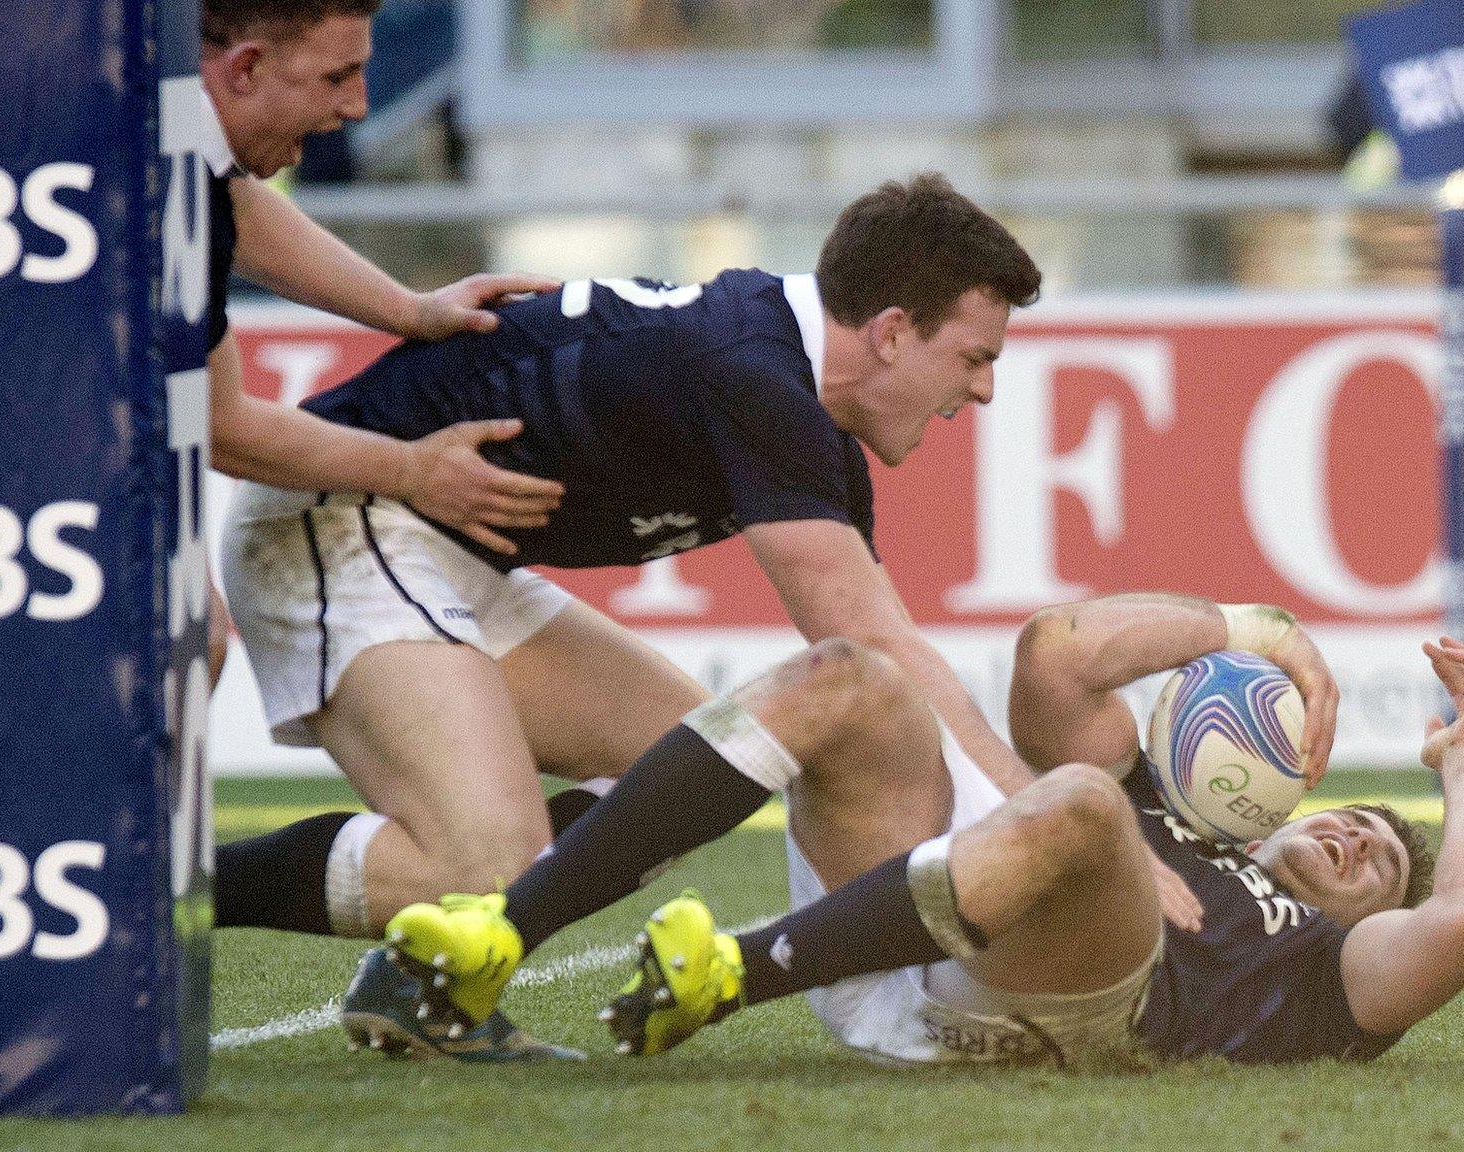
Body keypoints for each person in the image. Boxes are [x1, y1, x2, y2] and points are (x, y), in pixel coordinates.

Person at [211, 176, 1187, 993]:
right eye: (972, 357)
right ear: (891, 332)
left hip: (440, 550)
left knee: (690, 774)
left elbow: (878, 664)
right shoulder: (752, 372)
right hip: (338, 515)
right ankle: (188, 888)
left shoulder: (792, 399)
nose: (980, 390)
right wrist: (1064, 831)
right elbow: (875, 643)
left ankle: (436, 955)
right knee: (487, 862)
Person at [373, 595, 1464, 1070]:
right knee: (847, 678)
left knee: (1077, 804)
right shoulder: (1169, 804)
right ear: (1288, 806)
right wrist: (1238, 625)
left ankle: (722, 978)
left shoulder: (1325, 972)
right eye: (1357, 819)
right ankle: (490, 942)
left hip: (1036, 1007)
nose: (1362, 845)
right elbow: (1057, 652)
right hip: (905, 935)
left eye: (1375, 871)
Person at [192, 0, 569, 677]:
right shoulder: (149, 183)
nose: (360, 107)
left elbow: (238, 208)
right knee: (187, 638)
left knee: (194, 637)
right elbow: (222, 428)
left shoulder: (171, 139)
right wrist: (417, 472)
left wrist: (410, 310)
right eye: (338, 77)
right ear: (245, 67)